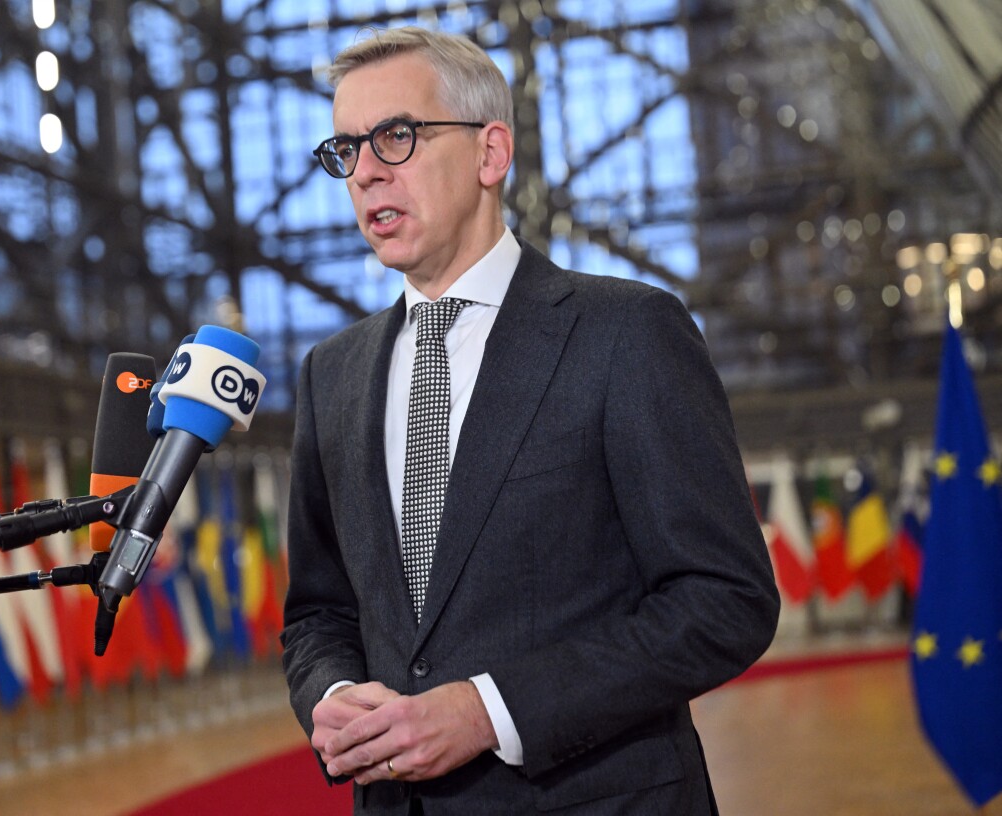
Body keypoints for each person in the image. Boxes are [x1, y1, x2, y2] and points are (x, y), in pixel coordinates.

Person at [280, 25, 779, 816]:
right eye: (345, 149)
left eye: (396, 137)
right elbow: (318, 611)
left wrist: (490, 710)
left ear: (491, 153)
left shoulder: (626, 334)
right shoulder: (330, 375)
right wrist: (332, 693)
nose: (366, 171)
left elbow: (725, 599)